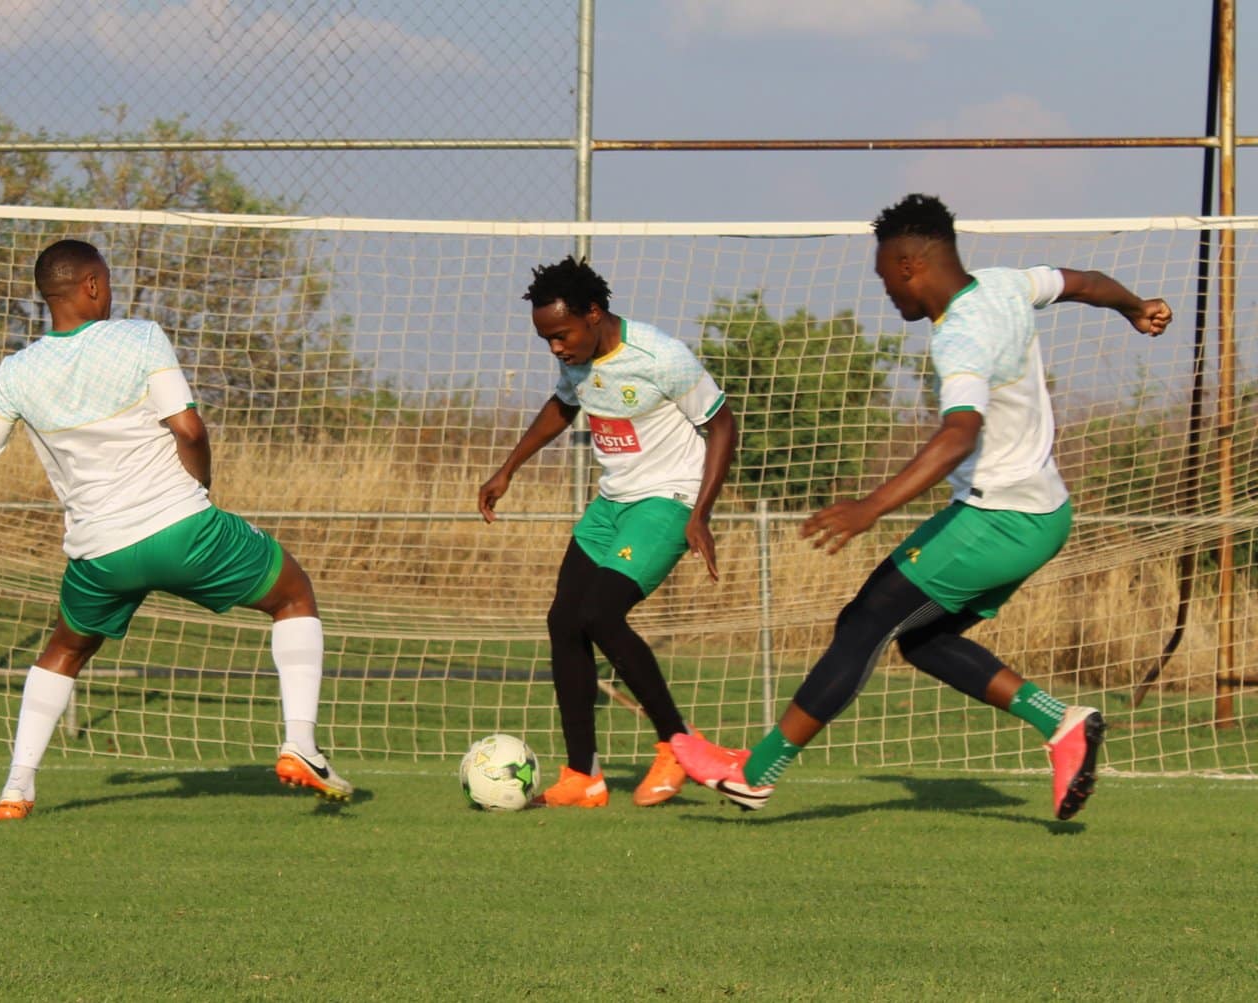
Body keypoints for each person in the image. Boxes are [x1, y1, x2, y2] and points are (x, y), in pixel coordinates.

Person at [672, 194, 1171, 819]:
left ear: (909, 264)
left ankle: (755, 773)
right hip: (1043, 514)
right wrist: (1136, 307)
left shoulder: (959, 336)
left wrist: (871, 507)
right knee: (924, 639)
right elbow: (1086, 283)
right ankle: (1063, 724)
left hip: (999, 520)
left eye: (885, 278)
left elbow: (960, 430)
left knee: (865, 623)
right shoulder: (1007, 285)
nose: (886, 292)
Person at [0, 239, 353, 821]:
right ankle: (301, 744)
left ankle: (16, 789)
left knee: (65, 649)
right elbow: (189, 428)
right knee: (294, 595)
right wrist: (202, 489)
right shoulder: (139, 336)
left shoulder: (15, 372)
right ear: (91, 286)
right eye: (107, 283)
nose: (110, 294)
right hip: (181, 528)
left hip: (100, 553)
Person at [478, 256, 737, 808]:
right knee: (563, 620)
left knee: (600, 614)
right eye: (546, 339)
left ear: (594, 314)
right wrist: (508, 468)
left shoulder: (659, 356)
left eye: (561, 335)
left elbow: (721, 423)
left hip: (668, 500)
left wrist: (701, 513)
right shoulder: (577, 358)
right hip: (611, 504)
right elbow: (563, 405)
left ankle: (676, 744)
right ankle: (583, 777)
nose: (556, 348)